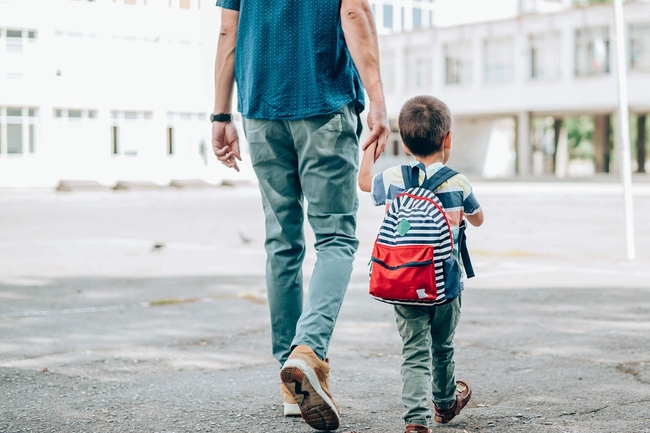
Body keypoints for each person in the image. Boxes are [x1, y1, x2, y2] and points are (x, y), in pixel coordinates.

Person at [211, 0, 389, 431]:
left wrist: (220, 113)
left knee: (282, 243)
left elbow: (227, 35)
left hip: (260, 107)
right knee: (335, 239)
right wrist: (378, 101)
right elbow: (354, 13)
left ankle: (291, 386)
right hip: (321, 101)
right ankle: (307, 352)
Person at [358, 95, 484, 433]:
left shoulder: (395, 177)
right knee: (441, 346)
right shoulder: (458, 182)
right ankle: (444, 404)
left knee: (414, 351)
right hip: (446, 285)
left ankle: (416, 420)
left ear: (406, 143)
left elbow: (364, 181)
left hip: (403, 280)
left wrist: (371, 145)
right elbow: (478, 219)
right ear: (448, 140)